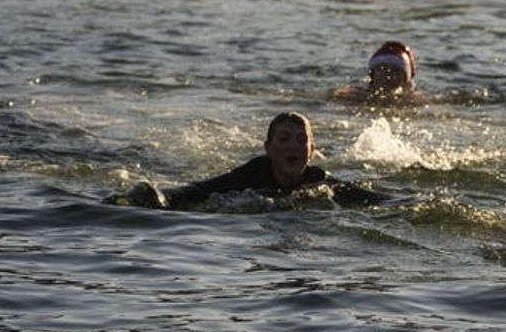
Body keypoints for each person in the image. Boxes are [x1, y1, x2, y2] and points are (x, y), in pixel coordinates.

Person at [109, 112, 387, 210]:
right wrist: (155, 198)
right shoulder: (251, 175)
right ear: (268, 148)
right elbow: (197, 191)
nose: (293, 147)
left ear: (312, 151)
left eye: (301, 141)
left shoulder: (317, 182)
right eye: (284, 139)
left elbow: (372, 200)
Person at [334, 41, 419, 103]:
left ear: (405, 79)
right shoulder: (353, 96)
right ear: (372, 74)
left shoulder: (414, 101)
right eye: (383, 69)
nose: (388, 75)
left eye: (396, 71)